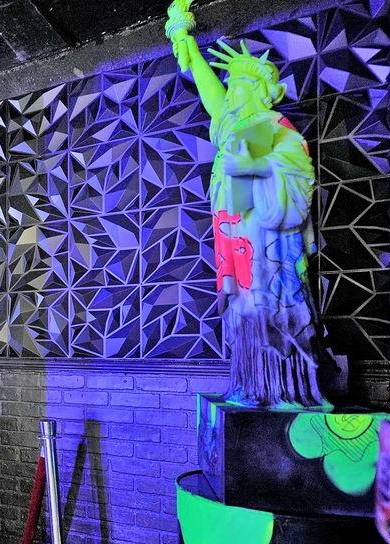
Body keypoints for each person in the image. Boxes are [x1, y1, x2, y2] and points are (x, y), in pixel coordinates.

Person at [166, 0, 330, 408]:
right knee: (244, 308)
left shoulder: (276, 130)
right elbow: (213, 99)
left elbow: (296, 182)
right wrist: (187, 44)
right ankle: (253, 385)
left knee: (268, 305)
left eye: (238, 86)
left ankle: (284, 387)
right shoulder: (237, 130)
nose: (230, 95)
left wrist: (253, 165)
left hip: (269, 245)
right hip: (238, 238)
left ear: (261, 93)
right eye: (230, 87)